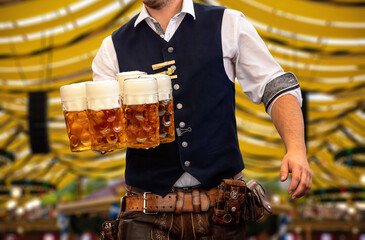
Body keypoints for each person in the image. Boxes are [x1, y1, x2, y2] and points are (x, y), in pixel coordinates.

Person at [92, 0, 312, 239]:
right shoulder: (112, 47)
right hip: (146, 218)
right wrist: (102, 136)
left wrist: (296, 149)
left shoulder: (228, 22)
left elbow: (275, 86)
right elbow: (103, 133)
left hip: (222, 213)